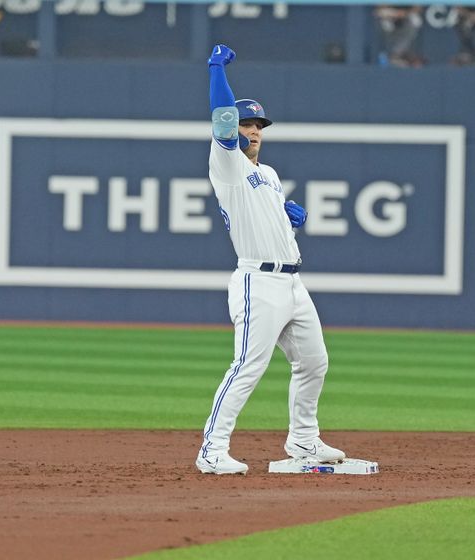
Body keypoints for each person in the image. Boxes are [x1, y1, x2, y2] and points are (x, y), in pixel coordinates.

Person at [196, 44, 346, 475]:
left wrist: (288, 216)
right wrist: (216, 71)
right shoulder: (227, 163)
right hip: (256, 283)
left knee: (315, 361)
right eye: (246, 123)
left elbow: (266, 221)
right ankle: (212, 449)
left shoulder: (270, 174)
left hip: (292, 284)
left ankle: (303, 441)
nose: (252, 130)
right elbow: (222, 120)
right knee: (248, 365)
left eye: (258, 124)